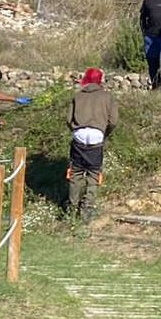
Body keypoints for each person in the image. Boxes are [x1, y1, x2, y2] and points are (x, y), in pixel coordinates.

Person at [66, 67, 116, 223]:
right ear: (100, 80)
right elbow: (113, 120)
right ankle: (87, 209)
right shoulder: (108, 97)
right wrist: (104, 133)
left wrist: (75, 130)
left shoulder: (78, 96)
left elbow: (69, 119)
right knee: (94, 174)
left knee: (75, 173)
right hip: (96, 136)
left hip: (79, 135)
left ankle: (72, 207)